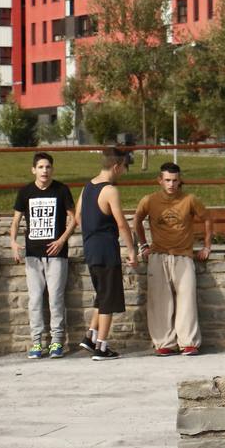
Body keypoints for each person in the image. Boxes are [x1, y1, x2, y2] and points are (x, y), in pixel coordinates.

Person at [133, 162, 212, 356]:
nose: (171, 184)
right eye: (167, 180)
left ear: (179, 181)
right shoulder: (149, 200)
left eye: (175, 180)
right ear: (160, 180)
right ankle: (164, 342)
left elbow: (207, 218)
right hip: (158, 254)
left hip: (183, 255)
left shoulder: (190, 199)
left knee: (187, 298)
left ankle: (188, 342)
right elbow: (137, 220)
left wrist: (207, 246)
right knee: (159, 300)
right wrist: (143, 245)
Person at [9, 152, 76, 358]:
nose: (44, 171)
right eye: (40, 167)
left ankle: (57, 341)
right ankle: (36, 342)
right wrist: (13, 242)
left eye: (47, 167)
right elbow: (16, 220)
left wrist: (62, 240)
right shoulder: (25, 192)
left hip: (56, 254)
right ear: (33, 170)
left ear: (52, 169)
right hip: (33, 254)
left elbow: (74, 219)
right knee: (36, 299)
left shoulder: (61, 190)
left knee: (55, 298)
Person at [77, 146, 138, 361]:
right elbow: (121, 224)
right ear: (116, 166)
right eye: (124, 168)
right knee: (108, 299)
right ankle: (101, 347)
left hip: (91, 248)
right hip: (106, 250)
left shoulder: (87, 186)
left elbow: (78, 216)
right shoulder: (110, 190)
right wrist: (132, 250)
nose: (124, 172)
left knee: (102, 294)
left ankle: (91, 336)